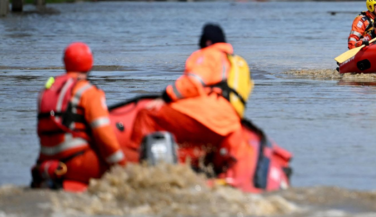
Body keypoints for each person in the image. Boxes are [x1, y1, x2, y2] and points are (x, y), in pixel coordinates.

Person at [132, 24, 252, 175]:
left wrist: (166, 97)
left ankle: (133, 166)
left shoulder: (209, 54)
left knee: (147, 114)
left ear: (207, 41)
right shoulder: (236, 63)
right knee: (195, 145)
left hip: (206, 116)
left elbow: (193, 83)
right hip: (229, 124)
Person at [33, 42, 126, 189]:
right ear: (90, 62)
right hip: (77, 162)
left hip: (45, 164)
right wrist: (121, 166)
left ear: (65, 61)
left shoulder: (46, 90)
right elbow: (103, 133)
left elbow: (41, 131)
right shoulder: (88, 91)